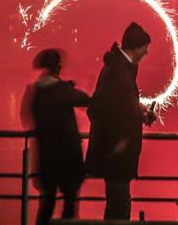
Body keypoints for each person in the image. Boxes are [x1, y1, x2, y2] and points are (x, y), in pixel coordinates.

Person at [85, 22, 156, 220]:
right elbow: (110, 109)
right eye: (146, 48)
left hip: (116, 153)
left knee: (117, 203)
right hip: (117, 154)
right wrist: (123, 139)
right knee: (119, 206)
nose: (147, 53)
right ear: (137, 47)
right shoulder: (119, 73)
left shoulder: (117, 69)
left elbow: (115, 105)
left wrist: (138, 110)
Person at [21, 48, 90, 225]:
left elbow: (27, 118)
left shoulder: (36, 91)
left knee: (46, 204)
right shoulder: (63, 90)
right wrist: (68, 86)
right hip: (68, 158)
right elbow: (85, 99)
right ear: (58, 68)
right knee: (69, 204)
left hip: (45, 158)